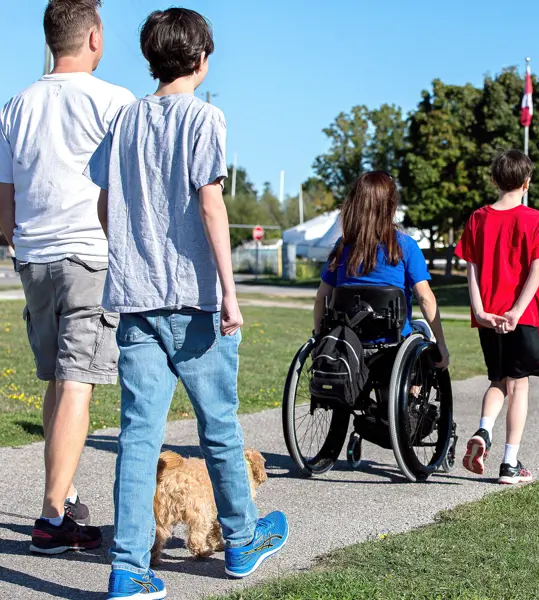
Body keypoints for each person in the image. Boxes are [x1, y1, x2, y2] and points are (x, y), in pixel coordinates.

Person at [84, 8, 286, 599]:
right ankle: (242, 540)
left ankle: (128, 567)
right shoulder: (205, 117)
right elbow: (210, 204)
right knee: (219, 426)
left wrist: (126, 248)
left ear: (151, 60)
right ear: (202, 59)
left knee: (138, 435)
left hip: (135, 300)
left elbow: (105, 202)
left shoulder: (124, 119)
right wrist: (229, 290)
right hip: (193, 300)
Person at [0, 0, 134, 554]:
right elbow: (127, 191)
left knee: (58, 378)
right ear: (95, 37)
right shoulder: (115, 101)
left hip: (33, 258)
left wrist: (22, 241)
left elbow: (4, 203)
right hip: (88, 253)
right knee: (78, 380)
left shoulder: (16, 104)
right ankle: (53, 519)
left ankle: (65, 494)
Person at [455, 149, 539, 485]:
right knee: (519, 386)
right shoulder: (536, 220)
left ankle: (484, 432)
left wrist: (480, 311)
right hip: (522, 316)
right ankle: (509, 464)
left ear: (494, 180)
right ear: (526, 184)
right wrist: (516, 311)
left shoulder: (477, 218)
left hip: (488, 315)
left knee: (497, 380)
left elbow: (470, 269)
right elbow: (537, 269)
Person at [312, 171, 449, 368]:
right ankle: (414, 388)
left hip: (349, 341)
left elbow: (321, 298)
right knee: (423, 329)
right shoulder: (406, 246)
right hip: (392, 343)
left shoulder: (343, 246)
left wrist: (319, 338)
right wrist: (441, 345)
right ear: (391, 205)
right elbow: (425, 298)